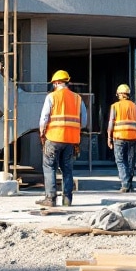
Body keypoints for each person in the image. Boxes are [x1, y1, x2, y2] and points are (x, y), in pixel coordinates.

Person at [39, 70, 87, 206]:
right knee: (67, 169)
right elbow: (83, 122)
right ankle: (67, 199)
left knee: (49, 166)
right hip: (71, 140)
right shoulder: (78, 98)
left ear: (57, 83)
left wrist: (42, 133)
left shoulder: (52, 97)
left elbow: (44, 118)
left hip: (53, 137)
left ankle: (50, 198)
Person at [108, 83, 136, 193]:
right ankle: (129, 183)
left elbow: (111, 123)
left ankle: (125, 184)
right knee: (130, 160)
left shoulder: (115, 106)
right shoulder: (135, 107)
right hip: (133, 137)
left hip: (119, 137)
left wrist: (109, 137)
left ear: (120, 95)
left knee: (120, 160)